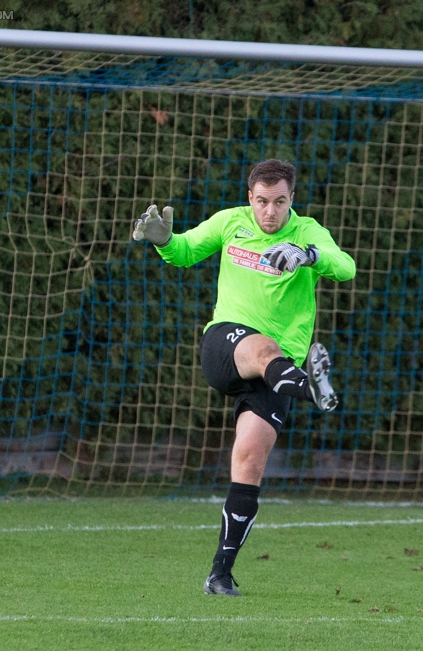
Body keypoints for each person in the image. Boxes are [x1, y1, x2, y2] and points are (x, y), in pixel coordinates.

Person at [133, 159, 356, 596]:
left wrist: (308, 254)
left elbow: (344, 265)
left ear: (291, 199)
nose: (269, 212)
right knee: (261, 346)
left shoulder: (307, 230)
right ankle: (313, 388)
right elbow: (183, 251)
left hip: (278, 371)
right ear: (249, 197)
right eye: (261, 202)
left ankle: (220, 574)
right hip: (225, 345)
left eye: (279, 202)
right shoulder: (229, 222)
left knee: (250, 463)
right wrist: (162, 240)